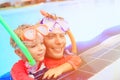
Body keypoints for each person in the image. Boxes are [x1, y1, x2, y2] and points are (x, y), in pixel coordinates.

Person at [40, 10, 82, 79]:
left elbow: (77, 59)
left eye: (62, 36)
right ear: (41, 41)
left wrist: (60, 69)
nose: (59, 41)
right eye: (51, 36)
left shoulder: (67, 57)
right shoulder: (39, 63)